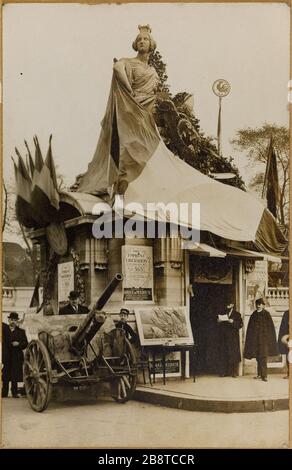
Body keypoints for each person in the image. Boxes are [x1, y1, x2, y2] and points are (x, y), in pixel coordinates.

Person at [244, 298, 278, 382]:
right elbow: (250, 328)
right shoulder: (254, 315)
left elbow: (270, 328)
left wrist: (268, 338)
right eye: (257, 304)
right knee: (258, 357)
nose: (258, 306)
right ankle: (259, 374)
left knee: (263, 357)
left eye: (260, 304)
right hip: (255, 340)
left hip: (264, 340)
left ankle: (264, 375)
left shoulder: (266, 314)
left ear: (263, 305)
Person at [2, 312, 28, 398]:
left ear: (17, 321)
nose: (13, 322)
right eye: (11, 320)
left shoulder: (21, 331)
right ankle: (4, 393)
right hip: (6, 355)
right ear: (8, 320)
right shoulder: (4, 329)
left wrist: (19, 344)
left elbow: (25, 344)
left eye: (15, 320)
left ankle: (14, 392)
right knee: (5, 374)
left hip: (17, 356)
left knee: (15, 374)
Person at [217, 298, 243, 377]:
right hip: (224, 337)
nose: (228, 305)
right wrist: (218, 321)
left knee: (233, 354)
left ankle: (234, 372)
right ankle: (224, 372)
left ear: (233, 305)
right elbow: (217, 325)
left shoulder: (237, 314)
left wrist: (233, 322)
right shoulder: (222, 313)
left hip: (233, 338)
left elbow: (240, 325)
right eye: (227, 304)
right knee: (224, 354)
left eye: (230, 304)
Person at [278, 310, 289, 379]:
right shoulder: (287, 313)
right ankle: (289, 373)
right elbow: (283, 327)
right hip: (289, 338)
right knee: (289, 356)